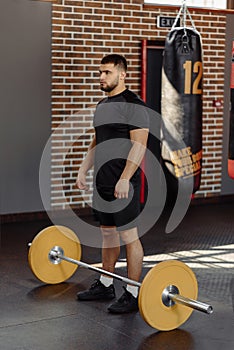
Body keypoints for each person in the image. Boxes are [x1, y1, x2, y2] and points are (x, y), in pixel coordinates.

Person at [76, 54, 149, 314]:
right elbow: (97, 141)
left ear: (122, 73)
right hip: (103, 181)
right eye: (100, 73)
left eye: (106, 72)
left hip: (123, 183)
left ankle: (132, 291)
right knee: (108, 233)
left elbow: (140, 145)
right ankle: (106, 283)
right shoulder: (102, 105)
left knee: (129, 236)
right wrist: (83, 169)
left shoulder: (134, 105)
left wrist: (125, 178)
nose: (101, 77)